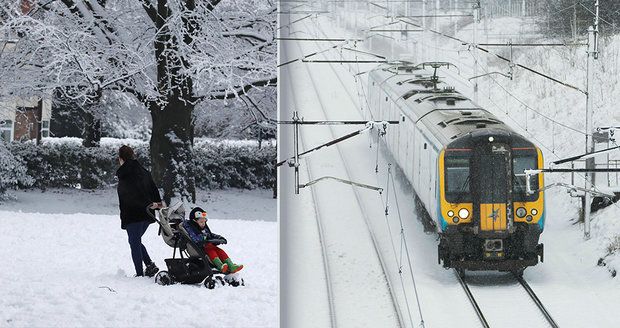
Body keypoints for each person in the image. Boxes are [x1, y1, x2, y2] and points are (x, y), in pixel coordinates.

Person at [116, 145, 162, 277]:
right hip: (147, 212)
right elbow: (153, 188)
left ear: (121, 158)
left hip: (133, 212)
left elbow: (132, 193)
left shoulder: (126, 174)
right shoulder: (143, 171)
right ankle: (149, 265)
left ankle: (139, 274)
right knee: (135, 240)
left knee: (134, 242)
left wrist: (145, 203)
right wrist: (156, 203)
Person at [182, 207, 244, 274]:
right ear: (194, 221)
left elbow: (210, 235)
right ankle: (220, 266)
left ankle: (231, 266)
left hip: (209, 245)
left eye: (204, 222)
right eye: (201, 222)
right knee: (212, 252)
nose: (203, 224)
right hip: (200, 248)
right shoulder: (192, 228)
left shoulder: (203, 228)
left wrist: (219, 238)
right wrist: (205, 237)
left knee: (221, 251)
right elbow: (195, 238)